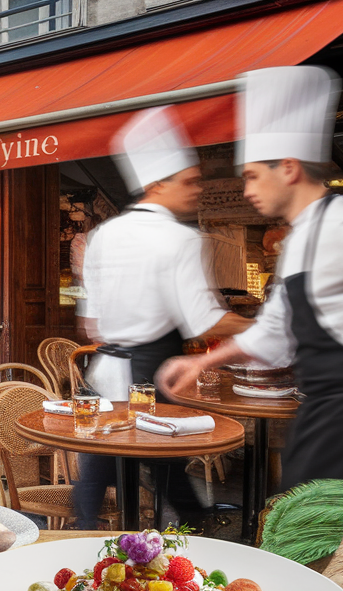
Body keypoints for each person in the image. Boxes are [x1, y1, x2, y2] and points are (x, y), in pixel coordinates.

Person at [159, 66, 343, 492]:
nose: (247, 190)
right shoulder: (301, 240)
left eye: (253, 175)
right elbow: (274, 333)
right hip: (321, 421)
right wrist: (202, 362)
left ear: (289, 168)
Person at [73, 105, 250, 531]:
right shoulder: (179, 238)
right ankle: (196, 532)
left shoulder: (102, 235)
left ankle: (89, 535)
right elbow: (205, 322)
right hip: (152, 373)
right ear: (156, 184)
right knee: (166, 465)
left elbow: (90, 325)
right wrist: (265, 329)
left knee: (100, 469)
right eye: (189, 181)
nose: (197, 190)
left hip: (104, 373)